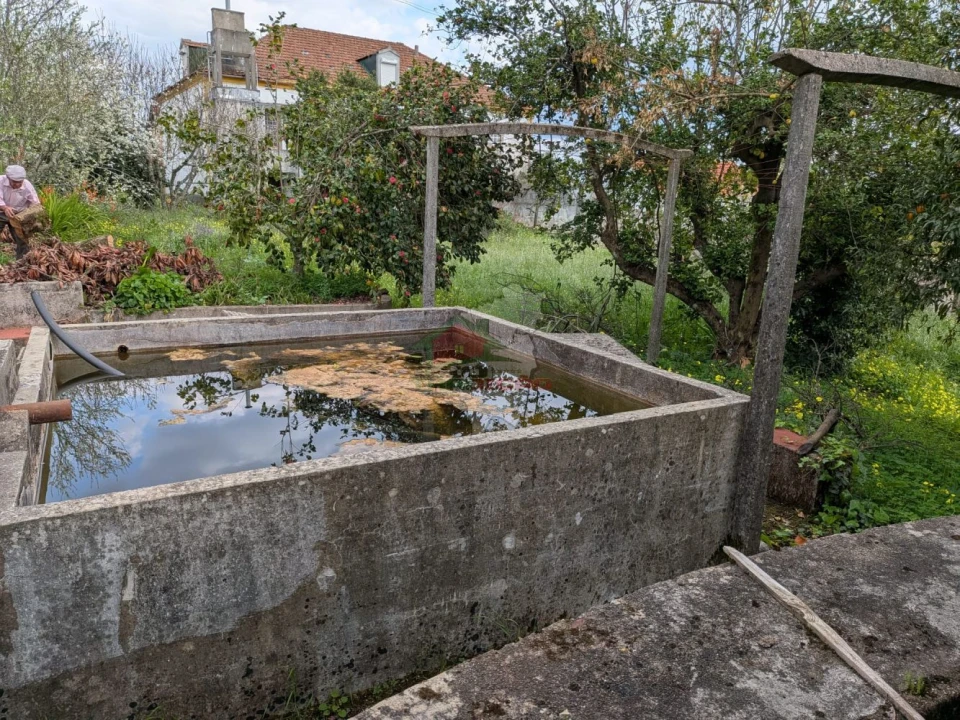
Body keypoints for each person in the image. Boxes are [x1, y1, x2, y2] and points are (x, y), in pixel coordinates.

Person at [0, 165, 40, 258]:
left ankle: (21, 262)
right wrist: (5, 208)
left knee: (23, 240)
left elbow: (35, 203)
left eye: (20, 182)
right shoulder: (0, 181)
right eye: (14, 182)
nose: (17, 184)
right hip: (1, 212)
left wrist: (32, 214)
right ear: (8, 178)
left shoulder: (27, 185)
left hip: (19, 215)